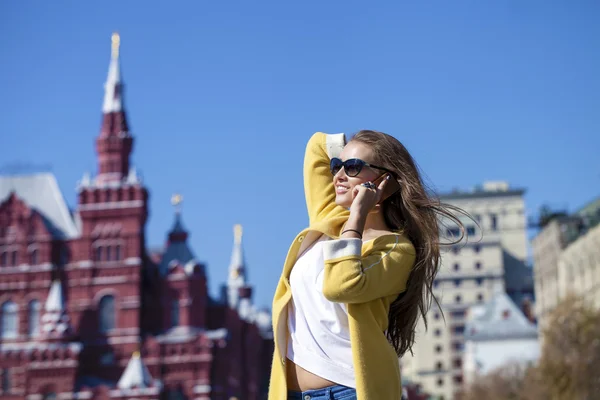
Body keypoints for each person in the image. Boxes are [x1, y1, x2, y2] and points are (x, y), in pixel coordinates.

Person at [268, 130, 464, 400]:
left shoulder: (395, 248)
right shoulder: (329, 221)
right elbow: (316, 147)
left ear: (384, 181)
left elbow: (340, 286)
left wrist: (358, 215)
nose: (337, 176)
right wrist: (349, 147)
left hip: (350, 392)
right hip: (291, 393)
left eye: (352, 168)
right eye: (337, 165)